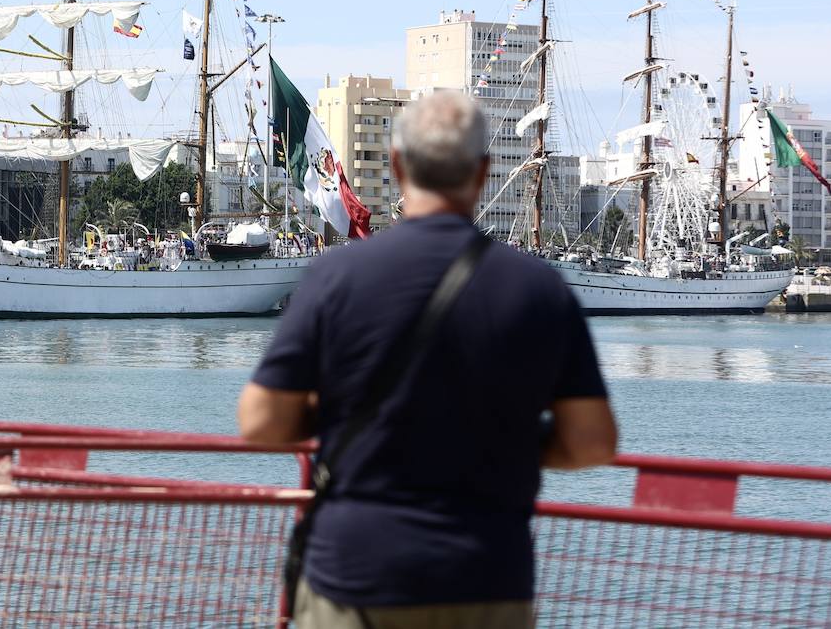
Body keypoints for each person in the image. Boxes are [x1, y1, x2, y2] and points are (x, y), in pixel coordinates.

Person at [238, 89, 616, 628]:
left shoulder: (333, 278)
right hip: (485, 581)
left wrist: (344, 416)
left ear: (396, 166)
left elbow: (260, 421)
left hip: (354, 579)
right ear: (484, 172)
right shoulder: (541, 291)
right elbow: (592, 442)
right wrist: (503, 436)